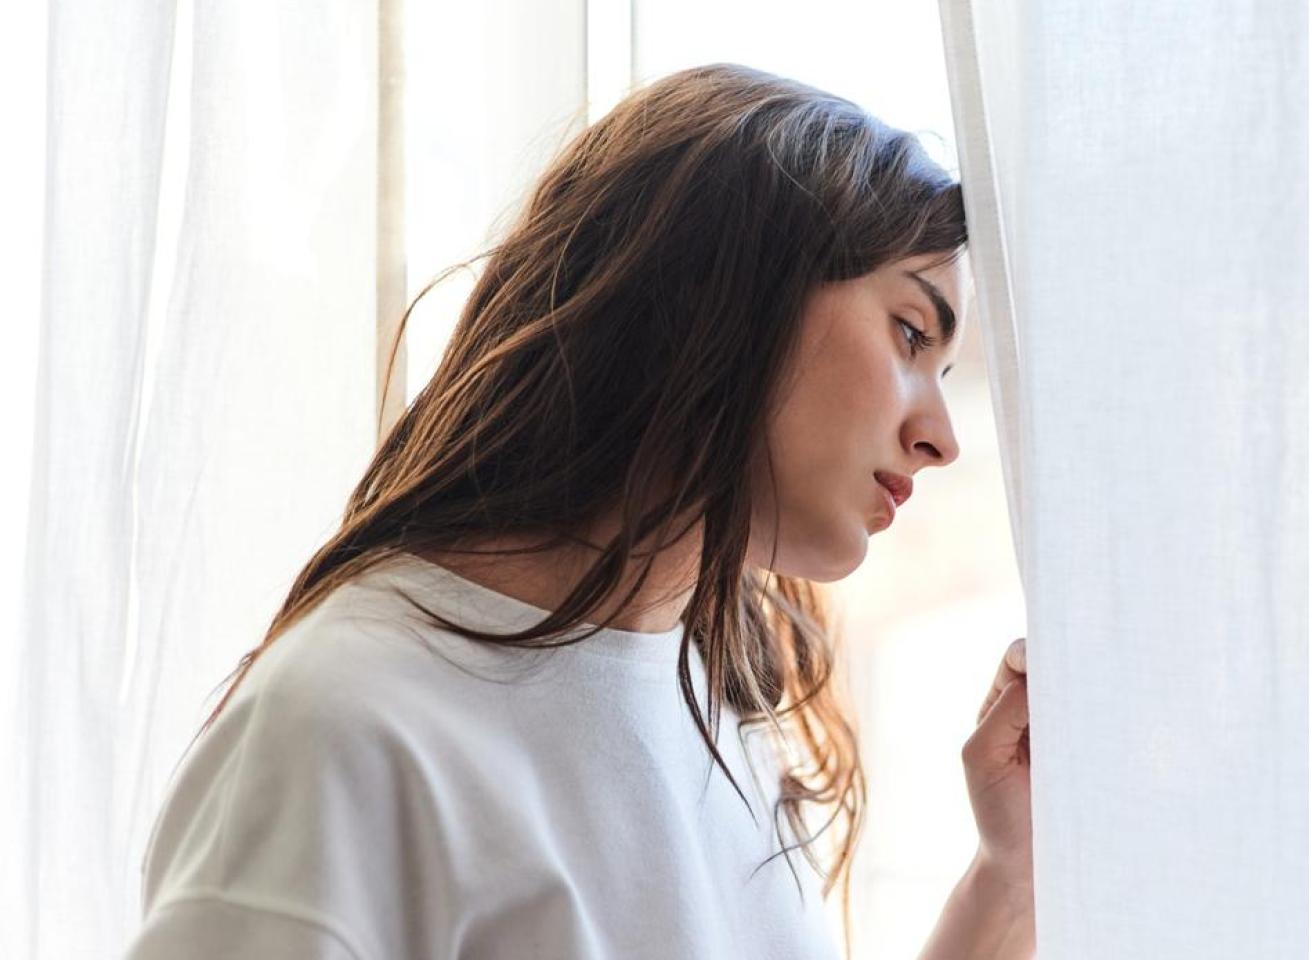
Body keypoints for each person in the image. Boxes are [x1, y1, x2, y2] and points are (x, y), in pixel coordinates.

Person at [126, 62, 1034, 960]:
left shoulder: (722, 712)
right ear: (724, 291)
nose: (941, 437)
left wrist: (1006, 883)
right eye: (912, 334)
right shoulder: (348, 729)